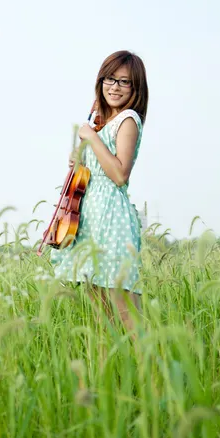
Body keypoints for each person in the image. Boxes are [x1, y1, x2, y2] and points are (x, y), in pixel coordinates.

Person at [50, 50, 149, 334]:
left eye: (124, 82)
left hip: (112, 220)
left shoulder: (127, 120)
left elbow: (119, 174)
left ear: (135, 88)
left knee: (125, 308)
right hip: (89, 219)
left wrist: (92, 138)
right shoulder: (102, 122)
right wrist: (81, 158)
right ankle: (120, 375)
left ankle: (153, 371)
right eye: (110, 79)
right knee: (100, 313)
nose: (115, 87)